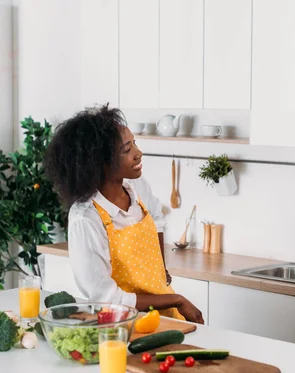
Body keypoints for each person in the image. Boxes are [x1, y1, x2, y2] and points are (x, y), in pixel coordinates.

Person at [44, 104, 204, 324]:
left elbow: (157, 219)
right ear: (98, 163)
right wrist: (175, 299)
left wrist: (161, 271)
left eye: (134, 144)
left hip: (165, 314)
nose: (138, 154)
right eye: (126, 150)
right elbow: (107, 298)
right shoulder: (86, 218)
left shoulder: (136, 187)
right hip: (124, 325)